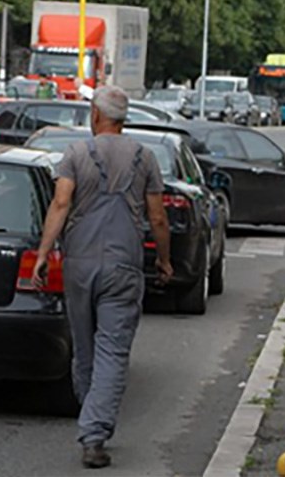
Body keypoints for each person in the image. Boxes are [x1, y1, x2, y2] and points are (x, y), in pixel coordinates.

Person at [32, 86, 172, 469]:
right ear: (122, 118)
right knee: (113, 350)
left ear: (95, 114)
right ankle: (94, 432)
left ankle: (91, 415)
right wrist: (164, 260)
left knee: (85, 347)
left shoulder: (76, 154)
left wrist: (44, 255)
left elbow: (61, 204)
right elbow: (157, 217)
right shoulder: (145, 157)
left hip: (79, 264)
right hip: (123, 266)